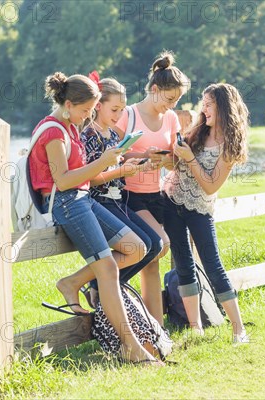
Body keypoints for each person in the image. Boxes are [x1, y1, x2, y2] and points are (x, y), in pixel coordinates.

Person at [31, 71, 160, 364]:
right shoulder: (54, 131)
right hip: (66, 203)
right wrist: (103, 163)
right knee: (108, 270)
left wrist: (111, 162)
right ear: (68, 104)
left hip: (82, 197)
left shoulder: (70, 126)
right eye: (86, 110)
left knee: (136, 247)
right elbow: (62, 181)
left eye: (92, 110)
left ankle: (72, 283)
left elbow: (79, 179)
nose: (89, 116)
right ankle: (131, 347)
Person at [163, 83, 250, 343]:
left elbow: (211, 185)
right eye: (204, 103)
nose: (204, 109)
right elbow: (176, 163)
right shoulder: (198, 131)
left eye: (209, 104)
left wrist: (189, 158)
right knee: (183, 266)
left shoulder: (230, 145)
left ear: (224, 108)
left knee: (213, 267)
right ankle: (195, 328)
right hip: (171, 201)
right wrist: (168, 154)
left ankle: (239, 329)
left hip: (200, 209)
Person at [116, 51, 190, 325]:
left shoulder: (170, 119)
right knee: (161, 244)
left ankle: (156, 328)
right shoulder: (128, 115)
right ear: (155, 90)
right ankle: (104, 284)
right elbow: (113, 157)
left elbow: (172, 163)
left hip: (155, 194)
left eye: (177, 101)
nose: (172, 105)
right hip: (128, 195)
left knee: (153, 262)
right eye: (170, 99)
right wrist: (141, 158)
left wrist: (166, 158)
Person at [80, 73, 163, 307]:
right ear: (98, 106)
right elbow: (91, 179)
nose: (119, 116)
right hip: (101, 201)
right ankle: (101, 287)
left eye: (122, 110)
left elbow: (119, 161)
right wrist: (120, 172)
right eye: (114, 109)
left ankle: (102, 286)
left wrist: (142, 161)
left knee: (154, 245)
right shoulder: (88, 136)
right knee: (141, 247)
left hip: (118, 200)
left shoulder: (114, 135)